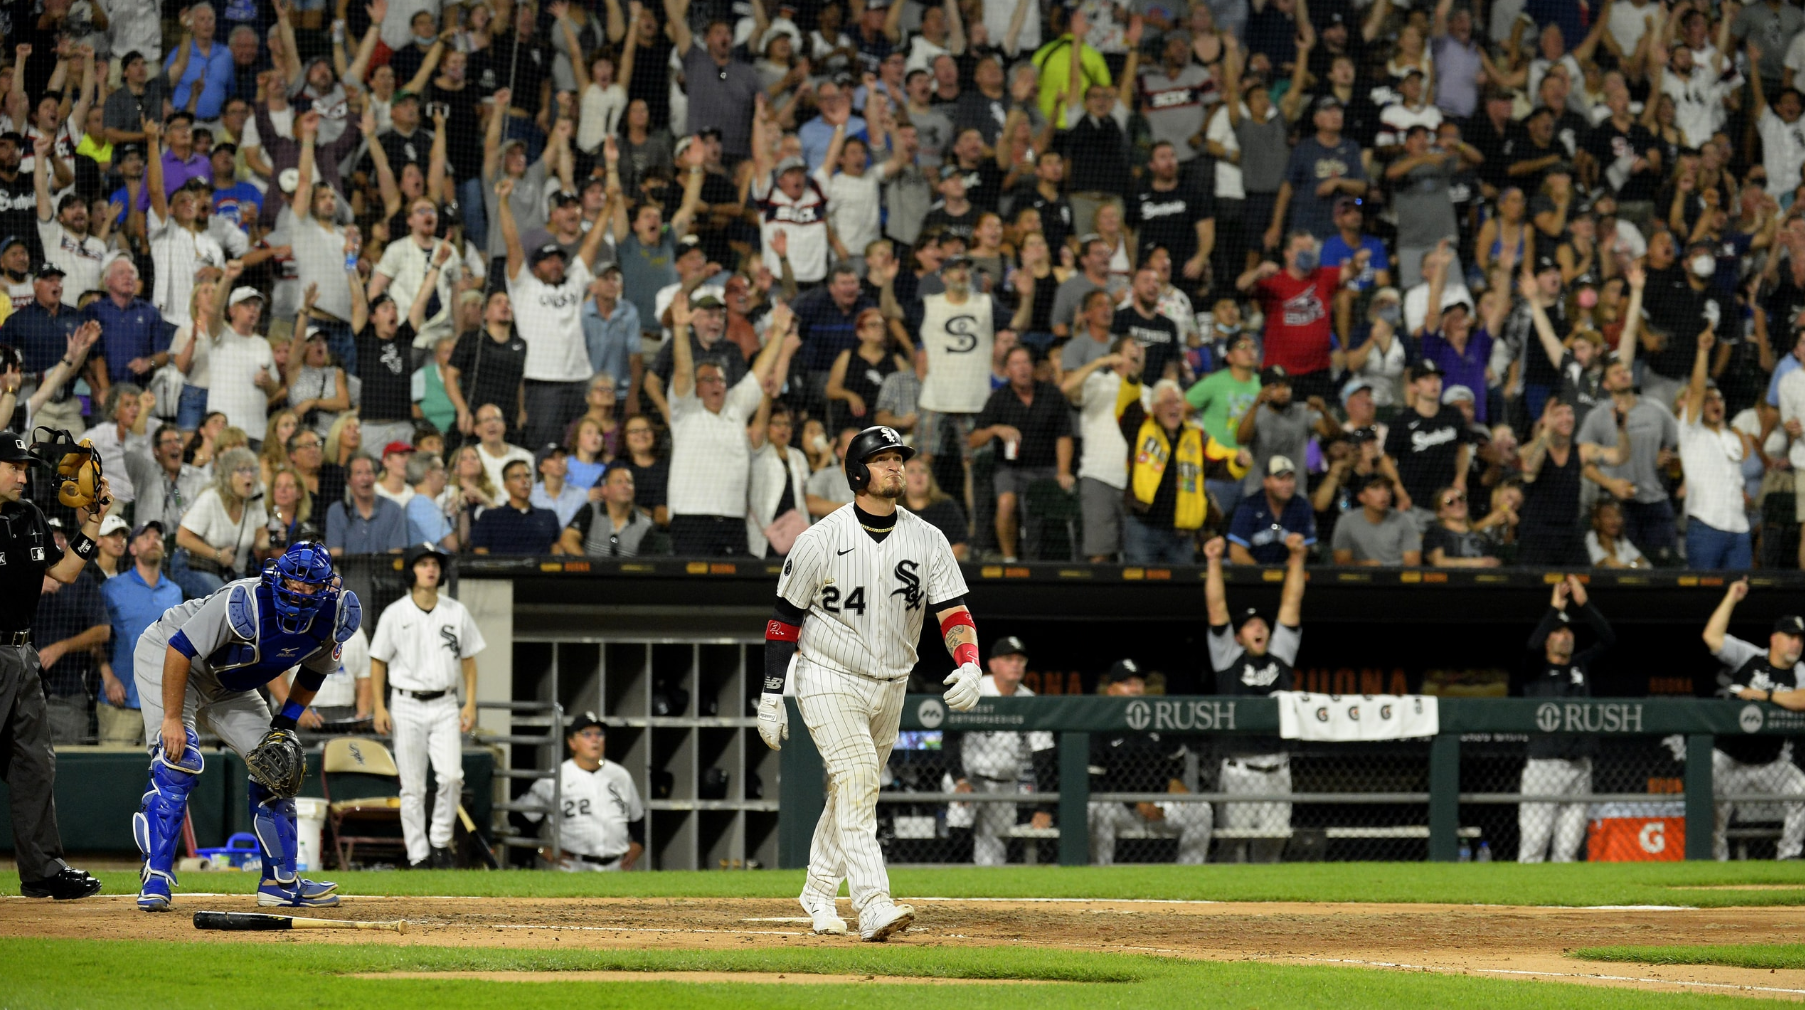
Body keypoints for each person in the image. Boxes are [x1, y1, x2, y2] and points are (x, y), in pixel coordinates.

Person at [754, 425, 982, 940]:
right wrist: (771, 694)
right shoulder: (818, 539)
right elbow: (782, 621)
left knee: (852, 791)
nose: (895, 466)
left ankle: (816, 889)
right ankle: (873, 901)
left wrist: (969, 662)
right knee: (858, 777)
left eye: (899, 458)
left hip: (891, 682)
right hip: (827, 674)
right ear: (858, 472)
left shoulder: (928, 539)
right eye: (883, 459)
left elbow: (954, 612)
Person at [132, 541, 360, 910]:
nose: (300, 592)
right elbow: (179, 648)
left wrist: (284, 725)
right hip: (170, 657)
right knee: (178, 758)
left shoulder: (334, 616)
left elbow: (315, 672)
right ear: (278, 576)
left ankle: (279, 883)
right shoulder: (245, 600)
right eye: (293, 582)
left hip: (229, 682)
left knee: (278, 763)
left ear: (326, 587)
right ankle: (155, 877)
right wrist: (172, 718)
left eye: (310, 586)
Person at [370, 542, 485, 869]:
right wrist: (379, 706)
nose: (430, 569)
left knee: (451, 777)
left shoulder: (455, 611)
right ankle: (419, 854)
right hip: (406, 703)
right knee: (413, 785)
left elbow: (469, 661)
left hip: (446, 702)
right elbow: (377, 662)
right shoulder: (395, 613)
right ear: (411, 571)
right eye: (423, 563)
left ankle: (439, 842)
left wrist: (471, 703)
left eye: (435, 563)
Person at [1203, 531, 1306, 862]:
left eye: (1262, 624)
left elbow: (1291, 603)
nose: (1259, 628)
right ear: (1239, 636)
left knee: (1272, 847)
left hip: (1278, 767)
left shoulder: (1280, 655)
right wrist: (1214, 561)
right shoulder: (1228, 657)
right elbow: (1216, 607)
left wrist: (1297, 558)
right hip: (1240, 768)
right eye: (1250, 626)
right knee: (1233, 846)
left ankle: (1266, 912)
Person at [665, 294, 792, 556]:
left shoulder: (736, 406)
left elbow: (759, 371)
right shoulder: (685, 410)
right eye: (708, 379)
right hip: (691, 518)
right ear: (697, 388)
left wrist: (779, 333)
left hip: (733, 518)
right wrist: (679, 330)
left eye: (721, 379)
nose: (717, 384)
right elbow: (684, 372)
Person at [1701, 579, 1805, 860]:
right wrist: (1731, 598)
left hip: (1771, 761)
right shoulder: (1751, 657)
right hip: (1730, 755)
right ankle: (1715, 864)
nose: (1796, 643)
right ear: (1774, 638)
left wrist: (1762, 695)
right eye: (1790, 636)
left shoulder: (1800, 672)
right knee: (1713, 811)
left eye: (1800, 638)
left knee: (1803, 792)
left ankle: (1789, 856)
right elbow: (1712, 637)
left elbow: (1804, 699)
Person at [1518, 574, 1612, 863]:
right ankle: (1522, 907)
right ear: (1548, 639)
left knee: (1568, 850)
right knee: (1535, 844)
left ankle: (1560, 907)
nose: (1566, 636)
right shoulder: (1535, 668)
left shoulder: (1580, 665)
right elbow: (1531, 648)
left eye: (1568, 632)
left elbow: (1608, 640)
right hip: (1545, 765)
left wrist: (1584, 605)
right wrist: (1554, 609)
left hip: (1580, 765)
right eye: (1557, 632)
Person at [1086, 659, 1213, 865]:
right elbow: (1095, 780)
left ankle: (1189, 875)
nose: (1135, 688)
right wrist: (1135, 801)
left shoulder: (1157, 719)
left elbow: (1175, 760)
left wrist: (1174, 781)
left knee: (1201, 810)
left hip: (1158, 803)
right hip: (1119, 807)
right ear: (1111, 690)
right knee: (1098, 808)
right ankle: (1101, 871)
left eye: (1139, 683)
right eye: (1127, 683)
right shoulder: (1100, 726)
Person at [948, 636, 1054, 866]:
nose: (1016, 664)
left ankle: (982, 897)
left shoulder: (1029, 701)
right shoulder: (976, 689)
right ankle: (952, 882)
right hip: (968, 780)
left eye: (1020, 659)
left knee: (994, 854)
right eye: (1008, 659)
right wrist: (959, 778)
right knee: (959, 822)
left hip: (1006, 784)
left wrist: (1044, 807)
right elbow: (950, 737)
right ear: (993, 664)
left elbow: (1043, 755)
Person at [969, 345, 1073, 561]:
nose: (1022, 368)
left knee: (1055, 504)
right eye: (1016, 364)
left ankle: (1052, 560)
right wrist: (995, 429)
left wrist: (1063, 471)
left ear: (1033, 367)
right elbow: (974, 440)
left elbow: (1063, 435)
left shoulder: (1051, 394)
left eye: (1026, 362)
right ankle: (1010, 560)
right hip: (1010, 468)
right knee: (1006, 502)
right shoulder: (999, 399)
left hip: (1046, 468)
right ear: (1007, 371)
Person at [520, 711, 646, 871]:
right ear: (572, 742)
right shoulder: (555, 777)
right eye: (587, 734)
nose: (595, 739)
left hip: (617, 867)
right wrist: (541, 850)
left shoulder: (620, 775)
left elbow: (637, 819)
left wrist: (638, 844)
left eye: (599, 733)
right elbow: (519, 818)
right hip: (574, 867)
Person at [97, 521, 181, 746]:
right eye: (145, 537)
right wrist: (108, 678)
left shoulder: (175, 592)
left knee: (164, 775)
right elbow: (96, 638)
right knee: (114, 773)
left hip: (163, 706)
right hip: (121, 700)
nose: (154, 541)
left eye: (158, 537)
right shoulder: (112, 588)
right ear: (132, 549)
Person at [1676, 327, 1753, 569]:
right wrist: (1702, 352)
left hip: (1739, 527)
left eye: (1719, 398)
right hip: (1706, 525)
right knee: (1703, 597)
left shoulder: (1732, 438)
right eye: (1709, 400)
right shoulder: (1691, 432)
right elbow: (1698, 390)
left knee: (1740, 594)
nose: (1715, 403)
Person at [1061, 338, 1142, 562]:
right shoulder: (1097, 382)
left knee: (1137, 558)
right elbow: (1067, 387)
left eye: (1139, 356)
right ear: (1116, 357)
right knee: (1099, 554)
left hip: (1135, 484)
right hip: (1099, 476)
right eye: (1131, 354)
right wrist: (1101, 361)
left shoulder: (1146, 392)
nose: (1136, 358)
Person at [175, 447, 269, 596]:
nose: (249, 475)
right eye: (242, 470)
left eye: (252, 470)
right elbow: (182, 537)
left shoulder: (253, 500)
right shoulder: (211, 498)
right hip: (195, 566)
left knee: (255, 601)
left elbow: (261, 537)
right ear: (227, 475)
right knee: (228, 602)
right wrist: (217, 555)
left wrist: (271, 539)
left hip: (233, 572)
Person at [269, 625, 370, 729]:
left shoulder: (355, 631)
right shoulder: (293, 627)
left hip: (345, 714)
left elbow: (363, 677)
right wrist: (295, 711)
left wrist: (363, 713)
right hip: (300, 713)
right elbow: (275, 676)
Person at [1228, 455, 1317, 564]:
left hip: (1290, 574)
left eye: (1290, 479)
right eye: (1280, 479)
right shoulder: (1249, 506)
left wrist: (1285, 577)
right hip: (1251, 576)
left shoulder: (1301, 507)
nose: (1287, 485)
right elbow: (1237, 553)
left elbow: (1303, 551)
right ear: (1266, 482)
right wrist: (1263, 576)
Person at [471, 459, 563, 555]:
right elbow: (481, 553)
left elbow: (556, 553)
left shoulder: (548, 516)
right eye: (517, 477)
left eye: (528, 476)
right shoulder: (490, 518)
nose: (524, 481)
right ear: (506, 485)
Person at [561, 464, 654, 557]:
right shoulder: (591, 510)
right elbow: (568, 539)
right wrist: (589, 567)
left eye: (629, 482)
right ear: (605, 489)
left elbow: (647, 563)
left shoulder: (645, 525)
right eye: (618, 482)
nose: (625, 486)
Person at [326, 455, 409, 557]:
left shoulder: (393, 510)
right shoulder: (337, 511)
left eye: (369, 472)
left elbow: (396, 554)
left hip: (384, 571)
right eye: (359, 473)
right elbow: (335, 555)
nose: (365, 478)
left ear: (375, 477)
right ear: (349, 480)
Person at [1331, 474, 1422, 566]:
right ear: (1361, 496)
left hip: (1395, 578)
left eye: (1387, 489)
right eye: (1376, 488)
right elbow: (1341, 563)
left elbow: (1412, 563)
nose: (1384, 494)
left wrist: (1382, 567)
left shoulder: (1405, 519)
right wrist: (1366, 566)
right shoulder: (1346, 521)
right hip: (1359, 578)